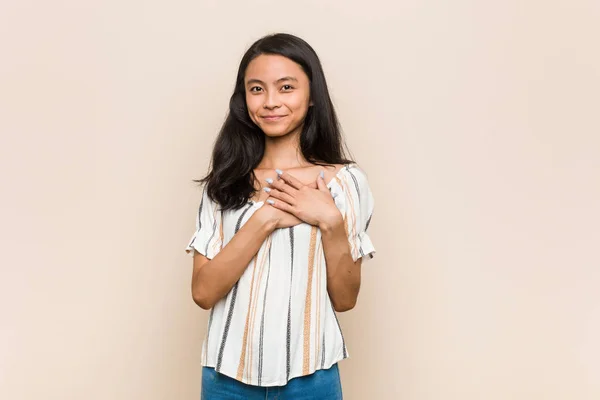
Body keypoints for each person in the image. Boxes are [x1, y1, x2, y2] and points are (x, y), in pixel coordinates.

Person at [185, 33, 375, 400]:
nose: (271, 102)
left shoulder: (345, 183)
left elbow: (345, 299)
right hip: (226, 378)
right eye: (256, 89)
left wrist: (331, 222)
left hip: (312, 377)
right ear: (244, 99)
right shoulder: (224, 183)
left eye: (286, 87)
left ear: (312, 94)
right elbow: (203, 292)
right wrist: (265, 220)